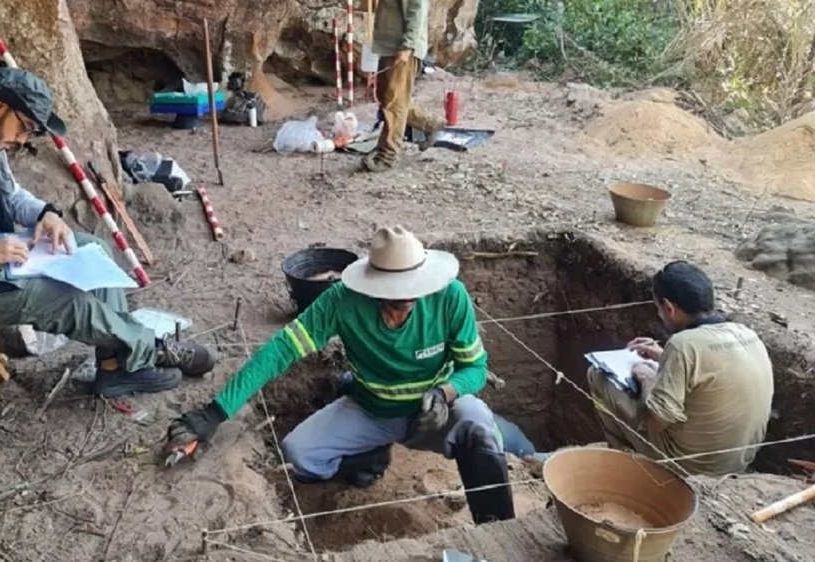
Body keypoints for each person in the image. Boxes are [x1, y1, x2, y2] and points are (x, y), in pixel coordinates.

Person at [0, 62, 215, 397]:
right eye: (25, 126)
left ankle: (115, 366)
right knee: (64, 300)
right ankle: (151, 348)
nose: (24, 139)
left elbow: (12, 196)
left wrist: (46, 213)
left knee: (89, 248)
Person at [167, 226, 540, 524]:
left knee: (480, 424)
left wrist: (446, 392)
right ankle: (370, 456)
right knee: (300, 454)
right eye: (395, 291)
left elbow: (474, 369)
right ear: (373, 285)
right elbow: (279, 350)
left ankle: (496, 532)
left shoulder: (449, 296)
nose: (405, 299)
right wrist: (214, 413)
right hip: (371, 410)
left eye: (414, 289)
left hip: (435, 414)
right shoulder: (342, 300)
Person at [587, 261, 774, 475]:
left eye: (659, 309)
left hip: (691, 465)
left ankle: (622, 464)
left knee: (597, 375)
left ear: (669, 307)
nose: (660, 315)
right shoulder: (746, 333)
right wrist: (662, 355)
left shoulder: (682, 344)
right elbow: (709, 370)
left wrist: (647, 379)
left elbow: (657, 422)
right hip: (737, 461)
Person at [361, 0, 447, 173]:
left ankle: (387, 156)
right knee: (389, 98)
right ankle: (431, 123)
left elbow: (417, 9)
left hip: (401, 47)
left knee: (394, 104)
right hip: (388, 46)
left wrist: (408, 46)